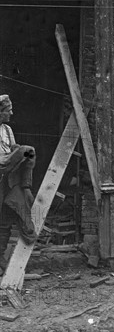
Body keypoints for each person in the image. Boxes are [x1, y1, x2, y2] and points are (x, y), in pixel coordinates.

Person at [0, 95, 37, 275]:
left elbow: (13, 147)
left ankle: (0, 259)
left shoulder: (7, 129)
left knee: (5, 219)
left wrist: (16, 150)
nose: (12, 113)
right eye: (9, 110)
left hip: (8, 178)